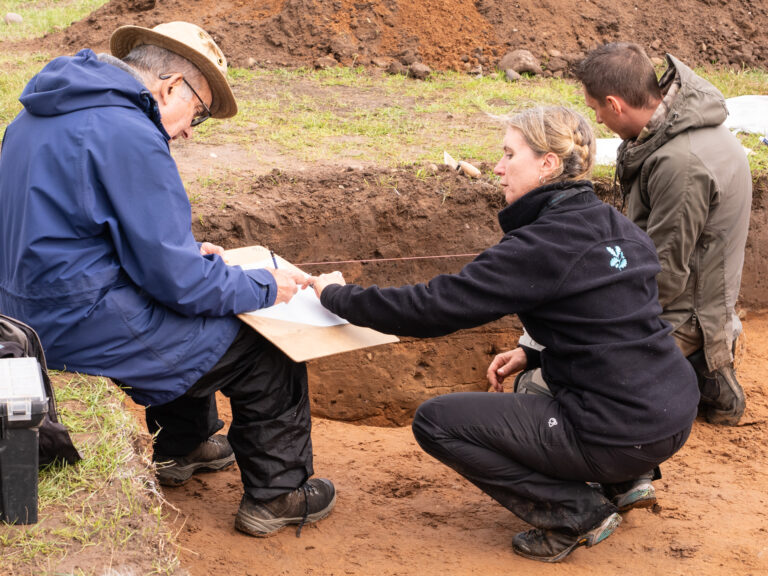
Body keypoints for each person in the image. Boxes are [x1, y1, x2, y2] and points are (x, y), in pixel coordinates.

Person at [309, 106, 699, 562]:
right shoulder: (620, 228)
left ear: (547, 164)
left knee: (436, 422)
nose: (497, 167)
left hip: (617, 430)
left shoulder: (540, 245)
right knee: (529, 382)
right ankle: (629, 479)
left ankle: (574, 511)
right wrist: (531, 354)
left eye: (509, 154)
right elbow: (613, 321)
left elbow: (431, 308)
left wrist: (337, 295)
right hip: (672, 413)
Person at [0, 22, 334, 538]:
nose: (188, 130)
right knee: (263, 347)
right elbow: (180, 284)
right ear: (172, 85)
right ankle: (278, 495)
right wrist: (266, 286)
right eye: (197, 112)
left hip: (22, 314)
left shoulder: (38, 114)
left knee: (191, 313)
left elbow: (78, 228)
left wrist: (186, 255)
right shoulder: (130, 133)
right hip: (74, 322)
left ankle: (189, 444)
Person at [575, 42, 752, 513]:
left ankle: (699, 364)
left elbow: (665, 275)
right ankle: (706, 370)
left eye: (596, 110)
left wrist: (596, 316)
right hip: (704, 291)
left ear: (615, 104)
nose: (598, 121)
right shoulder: (673, 135)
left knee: (588, 371)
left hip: (688, 310)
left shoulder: (681, 164)